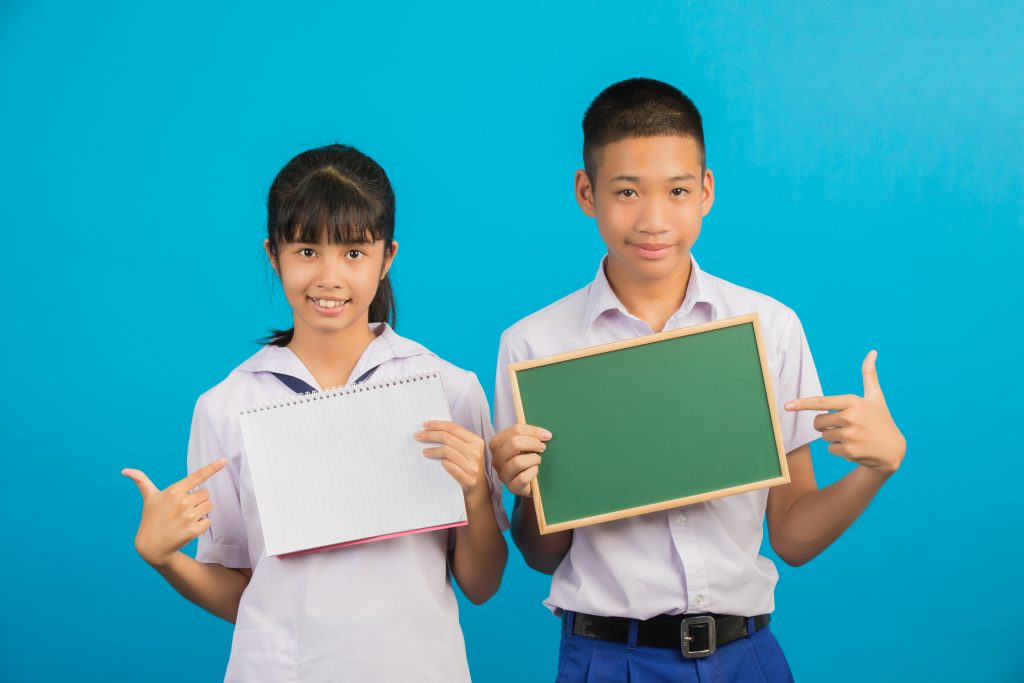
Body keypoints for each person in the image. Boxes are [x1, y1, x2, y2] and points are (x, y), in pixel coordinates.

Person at [489, 78, 906, 682]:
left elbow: (790, 534)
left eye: (677, 190)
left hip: (747, 656)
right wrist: (526, 492)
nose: (653, 219)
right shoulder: (534, 346)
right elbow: (540, 552)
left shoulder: (768, 327)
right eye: (626, 191)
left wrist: (876, 468)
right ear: (587, 192)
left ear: (705, 190)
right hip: (608, 658)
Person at [122, 144, 509, 682]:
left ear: (387, 256)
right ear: (273, 253)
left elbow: (481, 585)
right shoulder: (228, 407)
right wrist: (165, 557)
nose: (329, 277)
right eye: (306, 251)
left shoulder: (446, 389)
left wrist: (475, 497)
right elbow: (245, 594)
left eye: (354, 253)